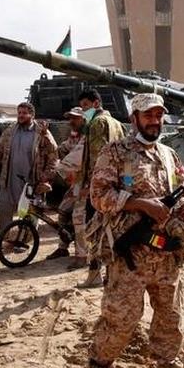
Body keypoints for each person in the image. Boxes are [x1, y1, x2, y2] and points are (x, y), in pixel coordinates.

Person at [80, 93, 184, 368]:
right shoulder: (116, 152)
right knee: (120, 321)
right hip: (130, 257)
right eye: (148, 115)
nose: (154, 121)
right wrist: (142, 204)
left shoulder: (169, 155)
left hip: (167, 256)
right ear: (134, 119)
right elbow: (98, 197)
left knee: (169, 321)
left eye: (158, 115)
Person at [71, 89, 126, 284]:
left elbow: (97, 158)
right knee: (113, 230)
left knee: (93, 231)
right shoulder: (117, 124)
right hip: (117, 187)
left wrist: (91, 185)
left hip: (101, 188)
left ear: (95, 104)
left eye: (85, 105)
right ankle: (112, 274)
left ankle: (94, 275)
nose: (83, 110)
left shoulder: (96, 123)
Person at [0, 102, 58, 235]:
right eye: (19, 113)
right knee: (4, 209)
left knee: (30, 213)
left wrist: (47, 175)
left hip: (31, 182)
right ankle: (4, 238)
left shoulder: (41, 133)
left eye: (24, 113)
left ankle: (25, 241)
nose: (20, 116)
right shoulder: (11, 131)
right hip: (9, 180)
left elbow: (53, 156)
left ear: (32, 115)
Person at [47, 107, 86, 260]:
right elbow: (60, 150)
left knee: (79, 218)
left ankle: (82, 254)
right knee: (63, 212)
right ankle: (63, 247)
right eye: (70, 118)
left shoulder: (90, 135)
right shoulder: (74, 137)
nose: (71, 121)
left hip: (88, 185)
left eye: (75, 118)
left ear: (83, 119)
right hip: (75, 184)